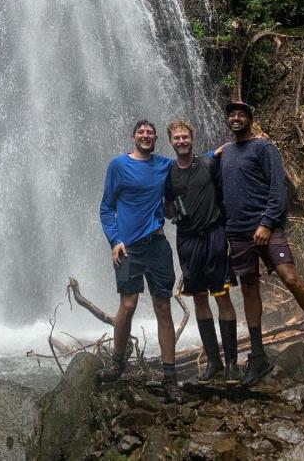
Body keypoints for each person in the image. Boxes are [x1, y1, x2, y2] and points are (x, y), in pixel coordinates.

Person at [219, 101, 304, 385]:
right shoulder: (224, 153)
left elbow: (279, 188)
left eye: (241, 114)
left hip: (267, 228)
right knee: (250, 288)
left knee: (291, 277)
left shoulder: (264, 148)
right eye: (232, 115)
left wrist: (266, 223)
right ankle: (258, 355)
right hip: (237, 232)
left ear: (250, 119)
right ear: (228, 120)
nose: (236, 118)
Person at [99, 119, 178, 402]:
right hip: (128, 247)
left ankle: (170, 377)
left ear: (156, 137)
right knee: (128, 304)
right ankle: (117, 362)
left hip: (157, 244)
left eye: (150, 132)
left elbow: (189, 161)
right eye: (141, 132)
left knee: (163, 307)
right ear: (133, 136)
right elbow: (107, 208)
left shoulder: (164, 165)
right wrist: (115, 240)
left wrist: (217, 153)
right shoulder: (118, 165)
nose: (145, 135)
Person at [164, 119, 240, 385]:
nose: (181, 141)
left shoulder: (208, 164)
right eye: (177, 138)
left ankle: (232, 362)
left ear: (192, 138)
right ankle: (214, 362)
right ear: (170, 141)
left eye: (185, 137)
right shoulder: (169, 173)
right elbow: (168, 207)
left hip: (214, 235)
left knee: (222, 296)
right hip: (188, 241)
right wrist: (172, 212)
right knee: (198, 298)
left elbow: (226, 192)